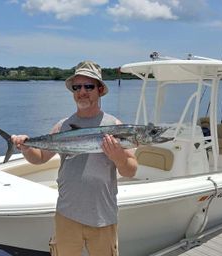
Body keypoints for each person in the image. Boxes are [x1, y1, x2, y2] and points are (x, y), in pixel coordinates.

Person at [11, 61, 137, 256]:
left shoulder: (115, 126)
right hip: (66, 215)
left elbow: (130, 171)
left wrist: (119, 157)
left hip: (102, 217)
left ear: (100, 89)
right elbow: (40, 158)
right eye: (77, 87)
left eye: (89, 86)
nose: (82, 92)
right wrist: (25, 147)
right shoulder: (63, 125)